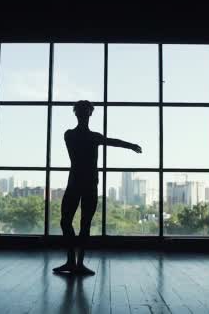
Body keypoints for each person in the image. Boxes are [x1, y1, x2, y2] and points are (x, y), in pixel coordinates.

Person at [52, 100, 142, 276]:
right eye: (83, 111)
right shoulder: (88, 136)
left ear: (78, 113)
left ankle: (73, 262)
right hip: (88, 182)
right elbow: (112, 141)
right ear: (88, 114)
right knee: (80, 223)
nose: (84, 114)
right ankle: (76, 263)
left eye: (83, 111)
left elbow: (110, 141)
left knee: (71, 221)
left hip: (77, 182)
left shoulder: (70, 135)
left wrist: (130, 146)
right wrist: (131, 146)